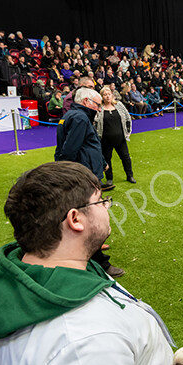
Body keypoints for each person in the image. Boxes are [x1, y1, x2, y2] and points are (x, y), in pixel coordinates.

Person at [0, 161, 183, 365]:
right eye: (100, 201)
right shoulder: (85, 343)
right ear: (75, 219)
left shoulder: (28, 278)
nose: (108, 206)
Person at [55, 87, 121, 277]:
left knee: (82, 216)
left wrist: (101, 162)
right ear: (86, 101)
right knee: (89, 218)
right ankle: (100, 263)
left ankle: (94, 251)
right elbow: (69, 150)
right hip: (82, 176)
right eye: (97, 105)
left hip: (82, 172)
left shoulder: (70, 116)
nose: (99, 109)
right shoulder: (80, 118)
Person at [94, 86, 136, 186]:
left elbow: (127, 118)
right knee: (107, 159)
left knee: (126, 158)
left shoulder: (119, 105)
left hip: (120, 139)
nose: (107, 96)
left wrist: (127, 132)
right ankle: (109, 178)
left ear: (112, 95)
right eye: (105, 95)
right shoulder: (99, 109)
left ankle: (129, 175)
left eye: (109, 94)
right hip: (105, 140)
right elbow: (95, 123)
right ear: (102, 97)